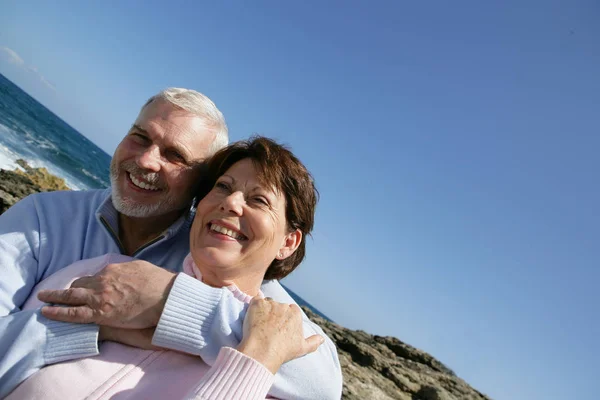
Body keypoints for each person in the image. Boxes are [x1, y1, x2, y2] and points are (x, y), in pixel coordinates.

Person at [0, 89, 342, 397]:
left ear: (198, 184)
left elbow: (318, 376)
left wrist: (167, 300)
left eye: (175, 156)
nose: (147, 160)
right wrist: (98, 326)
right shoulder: (45, 221)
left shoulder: (222, 256)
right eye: (139, 137)